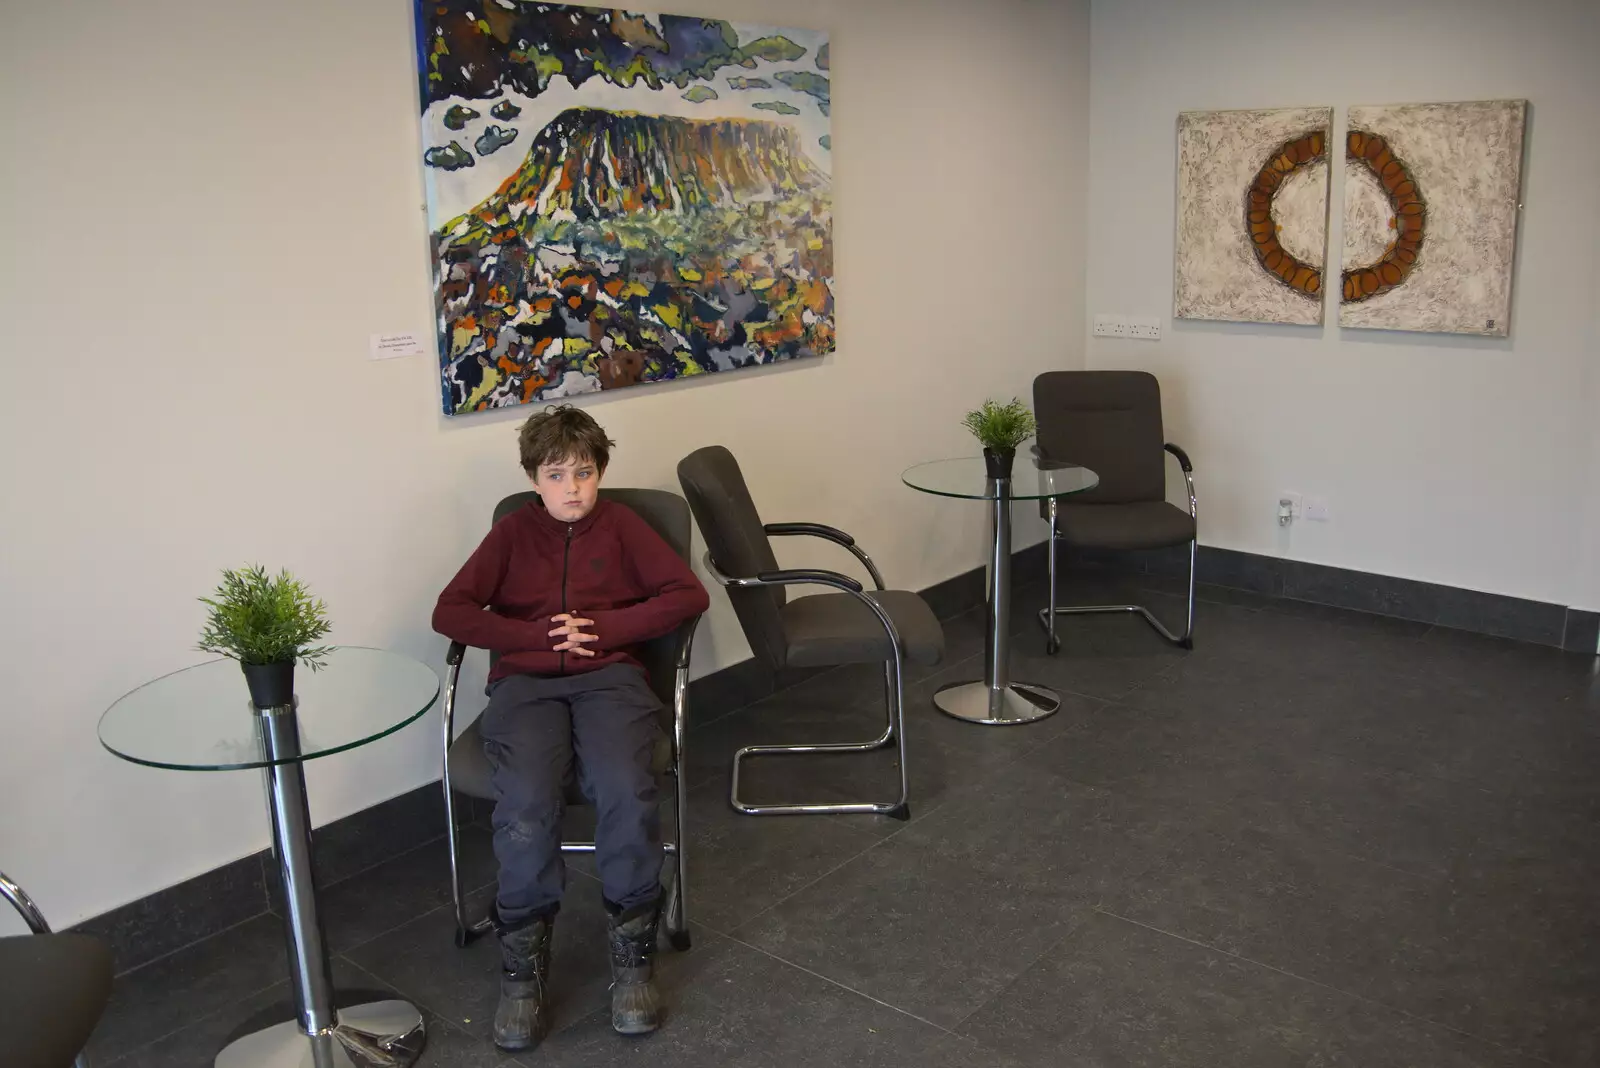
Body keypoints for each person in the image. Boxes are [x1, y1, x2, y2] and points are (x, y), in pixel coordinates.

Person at [432, 404, 709, 1051]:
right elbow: (452, 610)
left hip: (609, 679)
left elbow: (685, 595)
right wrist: (530, 635)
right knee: (526, 800)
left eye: (584, 472)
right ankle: (523, 976)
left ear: (600, 471)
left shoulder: (623, 526)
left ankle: (633, 960)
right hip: (525, 686)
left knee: (623, 783)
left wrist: (605, 630)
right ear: (534, 479)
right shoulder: (510, 535)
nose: (573, 488)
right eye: (557, 475)